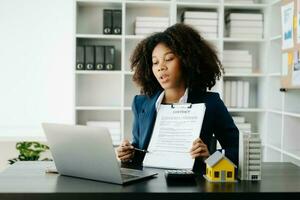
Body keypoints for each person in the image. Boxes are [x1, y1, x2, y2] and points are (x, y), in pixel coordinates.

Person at [117, 23, 239, 173]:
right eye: (155, 62)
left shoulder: (211, 103)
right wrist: (128, 154)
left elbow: (237, 150)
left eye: (168, 59)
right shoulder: (141, 103)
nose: (160, 67)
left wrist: (210, 157)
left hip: (193, 185)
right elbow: (139, 149)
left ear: (187, 60)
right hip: (148, 184)